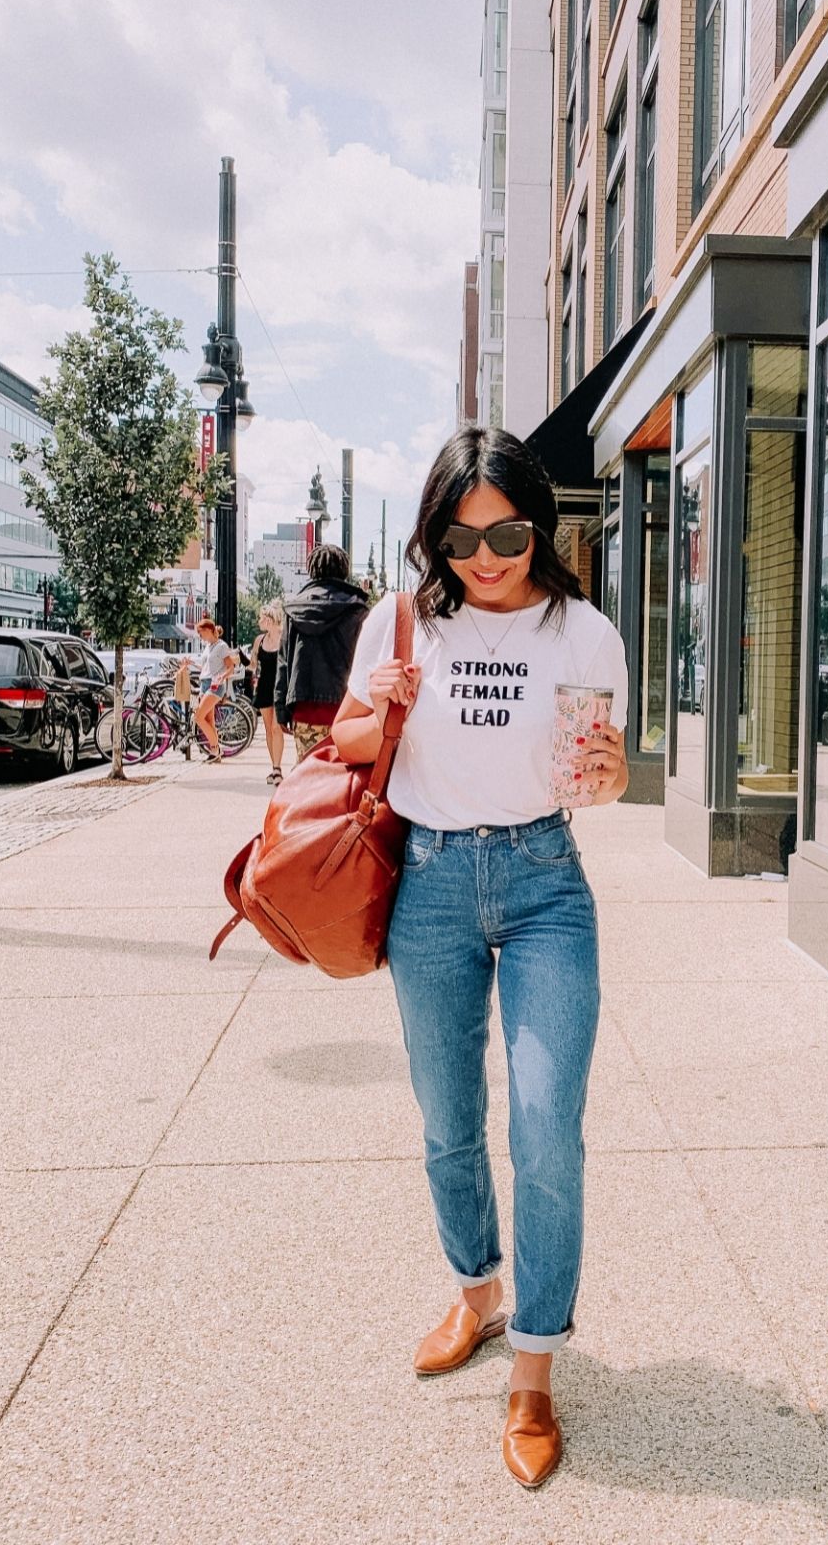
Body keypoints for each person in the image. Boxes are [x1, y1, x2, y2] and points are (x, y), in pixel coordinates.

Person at [331, 427, 628, 1489]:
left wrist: (614, 769)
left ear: (538, 526)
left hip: (546, 880)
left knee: (547, 1122)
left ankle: (536, 1365)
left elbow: (599, 777)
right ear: (435, 536)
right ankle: (475, 1289)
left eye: (506, 531)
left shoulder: (583, 630)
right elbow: (351, 747)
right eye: (461, 536)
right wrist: (390, 707)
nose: (486, 556)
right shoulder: (402, 620)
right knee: (448, 1118)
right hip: (434, 888)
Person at [274, 544, 369, 759]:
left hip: (305, 709)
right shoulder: (358, 611)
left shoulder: (294, 610)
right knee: (345, 778)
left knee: (311, 779)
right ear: (344, 571)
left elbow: (284, 663)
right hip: (349, 712)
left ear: (311, 570)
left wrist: (281, 710)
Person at [250, 601, 286, 784]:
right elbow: (253, 665)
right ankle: (274, 767)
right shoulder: (259, 640)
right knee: (268, 730)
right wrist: (239, 659)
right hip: (264, 687)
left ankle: (278, 768)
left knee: (276, 727)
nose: (259, 621)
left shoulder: (284, 638)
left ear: (269, 619)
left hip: (280, 687)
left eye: (261, 618)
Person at [194, 616, 235, 762]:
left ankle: (216, 750)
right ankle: (214, 752)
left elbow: (231, 667)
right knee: (209, 720)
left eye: (201, 632)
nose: (200, 636)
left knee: (198, 717)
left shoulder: (221, 646)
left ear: (208, 630)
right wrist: (191, 663)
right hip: (204, 684)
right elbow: (206, 668)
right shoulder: (208, 647)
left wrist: (221, 677)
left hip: (214, 686)